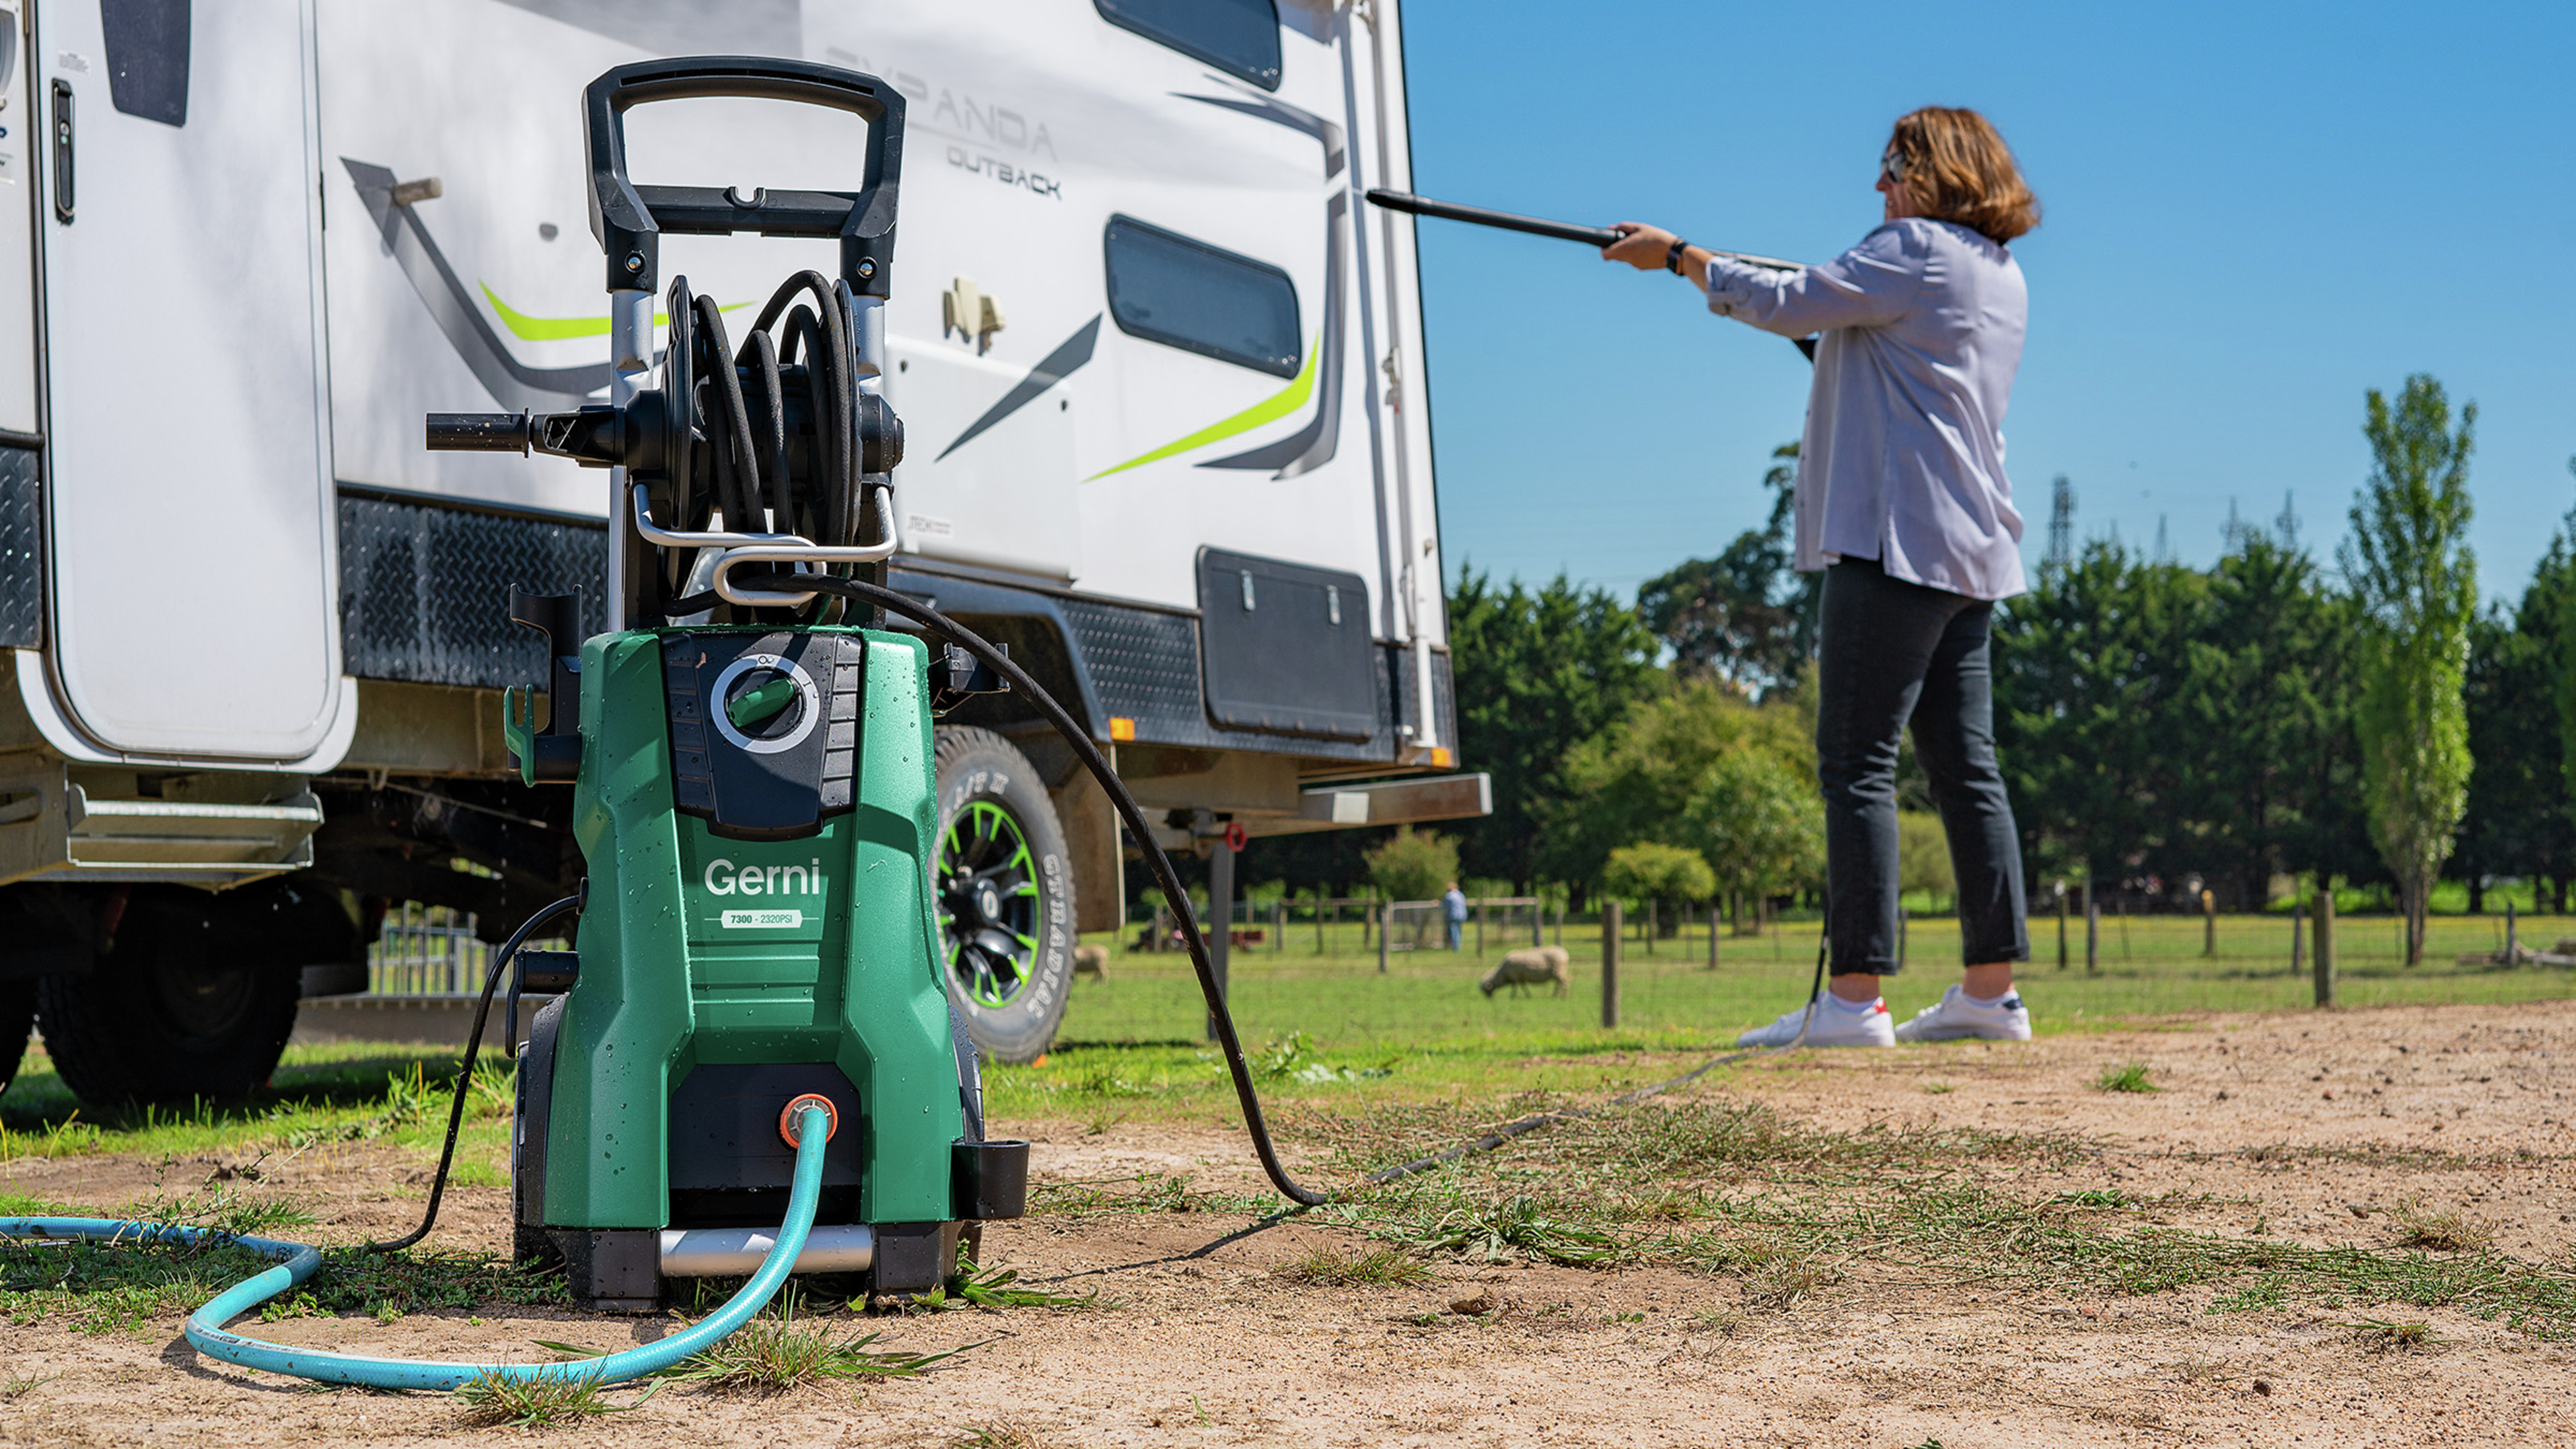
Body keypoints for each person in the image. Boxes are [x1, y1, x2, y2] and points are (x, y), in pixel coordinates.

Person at [1601, 106, 2039, 1047]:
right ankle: (1990, 991)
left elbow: (1791, 299)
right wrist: (1795, 294)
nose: (1878, 186)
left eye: (1892, 166)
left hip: (1895, 541)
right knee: (1967, 770)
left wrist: (1678, 256)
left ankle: (1853, 999)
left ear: (1936, 173)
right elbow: (1863, 342)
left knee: (1857, 761)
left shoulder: (1915, 247)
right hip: (1969, 552)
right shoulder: (2001, 275)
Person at [1441, 881, 1468, 952]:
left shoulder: (1449, 896)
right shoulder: (1461, 895)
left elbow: (1443, 905)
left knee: (1454, 931)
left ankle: (1455, 948)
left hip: (1453, 915)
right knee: (1459, 931)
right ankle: (1458, 946)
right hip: (1462, 915)